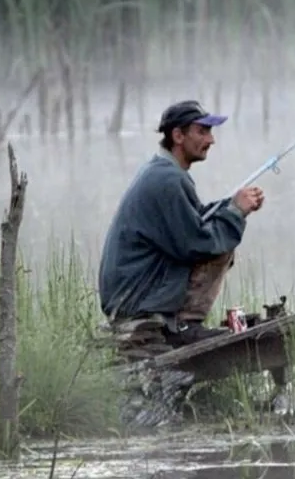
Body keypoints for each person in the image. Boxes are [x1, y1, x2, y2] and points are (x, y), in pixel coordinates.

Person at [97, 100, 265, 344]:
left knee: (220, 232)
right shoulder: (168, 179)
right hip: (134, 300)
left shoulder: (162, 171)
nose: (211, 140)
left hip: (129, 294)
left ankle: (181, 323)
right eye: (202, 131)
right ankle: (184, 324)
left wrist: (232, 206)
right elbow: (196, 244)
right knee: (219, 247)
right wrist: (235, 213)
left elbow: (193, 220)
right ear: (178, 135)